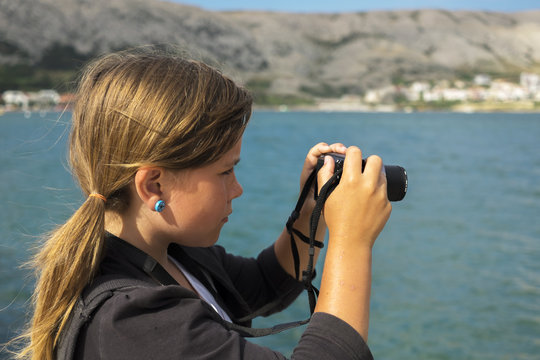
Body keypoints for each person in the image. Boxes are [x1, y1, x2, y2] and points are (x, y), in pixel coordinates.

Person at [15, 47, 392, 360]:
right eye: (226, 171)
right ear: (154, 185)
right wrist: (352, 242)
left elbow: (265, 283)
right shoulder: (131, 323)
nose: (238, 189)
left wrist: (313, 210)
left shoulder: (173, 254)